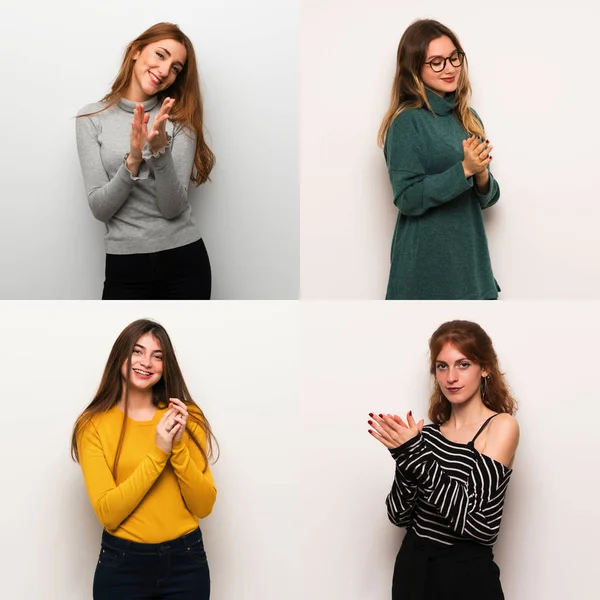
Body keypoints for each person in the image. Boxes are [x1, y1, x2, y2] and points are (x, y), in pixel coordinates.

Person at [368, 320, 519, 599]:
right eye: (442, 366)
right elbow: (398, 515)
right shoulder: (426, 436)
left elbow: (477, 524)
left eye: (463, 364)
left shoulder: (501, 426)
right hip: (413, 569)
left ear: (485, 368)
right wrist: (404, 456)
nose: (451, 377)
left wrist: (414, 454)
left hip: (466, 575)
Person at [71, 319, 218, 599]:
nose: (147, 362)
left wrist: (177, 446)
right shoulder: (92, 425)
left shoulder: (186, 417)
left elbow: (204, 505)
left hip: (186, 563)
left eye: (157, 356)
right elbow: (108, 513)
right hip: (122, 565)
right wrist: (158, 451)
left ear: (166, 366)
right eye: (137, 351)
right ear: (120, 357)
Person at [76, 23, 215, 300]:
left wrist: (160, 151)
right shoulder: (91, 118)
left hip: (184, 260)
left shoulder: (176, 120)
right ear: (136, 51)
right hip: (125, 264)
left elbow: (172, 208)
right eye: (161, 55)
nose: (165, 71)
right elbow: (100, 208)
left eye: (176, 67)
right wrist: (134, 159)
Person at [378, 20, 501, 300]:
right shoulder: (407, 122)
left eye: (453, 57)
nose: (449, 68)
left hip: (471, 267)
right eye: (436, 62)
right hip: (426, 271)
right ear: (414, 69)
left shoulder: (468, 118)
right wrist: (464, 169)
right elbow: (407, 198)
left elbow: (487, 199)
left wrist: (480, 175)